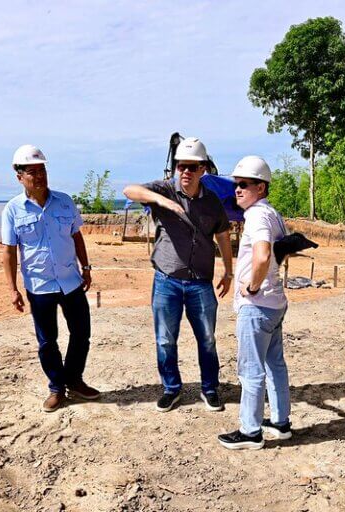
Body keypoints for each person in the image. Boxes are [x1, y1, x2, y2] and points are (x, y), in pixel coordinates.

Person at [123, 137, 233, 413]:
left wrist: (228, 271)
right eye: (181, 166)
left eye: (192, 167)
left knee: (207, 339)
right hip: (167, 281)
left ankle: (210, 389)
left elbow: (222, 235)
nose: (186, 171)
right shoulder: (165, 190)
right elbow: (129, 190)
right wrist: (162, 201)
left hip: (200, 283)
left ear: (203, 169)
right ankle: (171, 389)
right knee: (165, 339)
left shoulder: (212, 202)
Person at [1, 144, 100, 412]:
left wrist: (86, 267)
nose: (39, 176)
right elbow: (9, 252)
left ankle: (74, 380)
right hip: (39, 285)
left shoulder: (65, 201)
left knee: (81, 333)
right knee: (47, 342)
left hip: (71, 281)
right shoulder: (12, 210)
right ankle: (57, 388)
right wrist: (12, 289)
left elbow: (76, 236)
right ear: (19, 176)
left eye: (42, 170)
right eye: (32, 172)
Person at [218, 156, 292, 450]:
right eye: (236, 184)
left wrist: (251, 286)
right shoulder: (273, 214)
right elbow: (280, 252)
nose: (237, 189)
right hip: (275, 303)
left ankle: (250, 432)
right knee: (275, 365)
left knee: (251, 369)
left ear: (260, 187)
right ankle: (280, 422)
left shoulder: (257, 216)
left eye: (244, 184)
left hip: (258, 305)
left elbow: (262, 255)